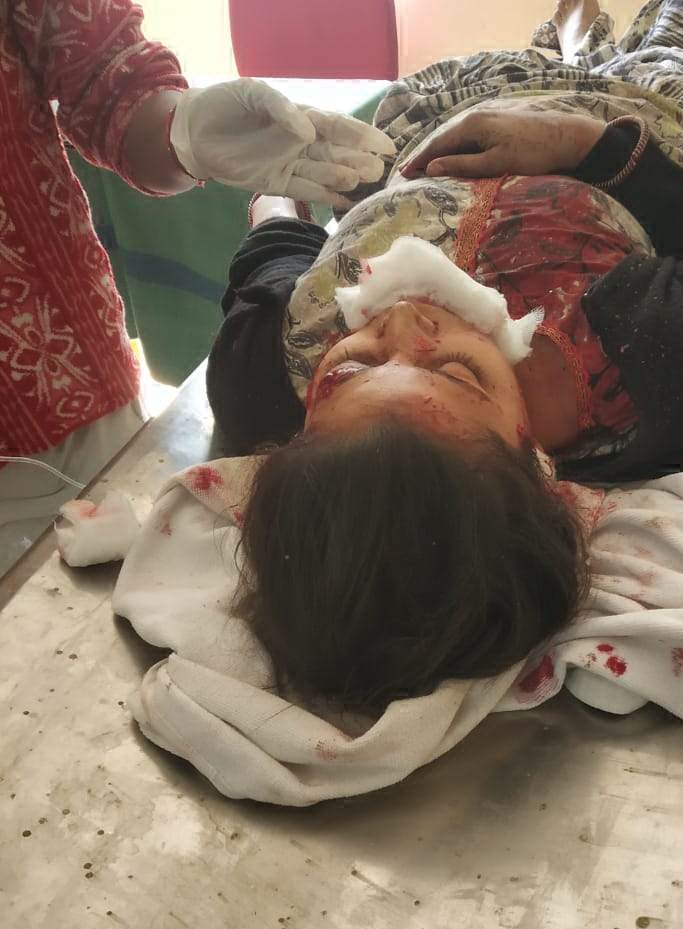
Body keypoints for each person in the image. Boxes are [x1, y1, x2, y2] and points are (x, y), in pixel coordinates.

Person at [205, 0, 683, 715]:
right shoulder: (650, 349)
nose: (401, 320)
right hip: (627, 118)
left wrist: (276, 196)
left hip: (441, 118)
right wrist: (588, 146)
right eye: (455, 371)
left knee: (531, 52)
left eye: (351, 370)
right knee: (673, 29)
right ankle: (587, 31)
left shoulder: (263, 380)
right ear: (536, 464)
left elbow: (278, 258)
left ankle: (568, 32)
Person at [0, 0, 393, 575]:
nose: (414, 331)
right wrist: (275, 217)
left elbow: (105, 75)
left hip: (45, 393)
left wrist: (179, 132)